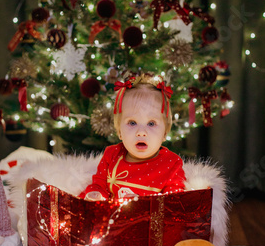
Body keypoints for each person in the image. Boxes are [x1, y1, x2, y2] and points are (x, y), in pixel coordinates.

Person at [80, 73, 186, 201]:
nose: (141, 132)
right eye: (132, 123)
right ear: (119, 130)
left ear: (165, 132)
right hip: (111, 218)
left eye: (151, 123)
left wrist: (142, 206)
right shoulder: (112, 155)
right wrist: (95, 194)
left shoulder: (171, 164)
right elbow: (98, 184)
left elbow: (174, 202)